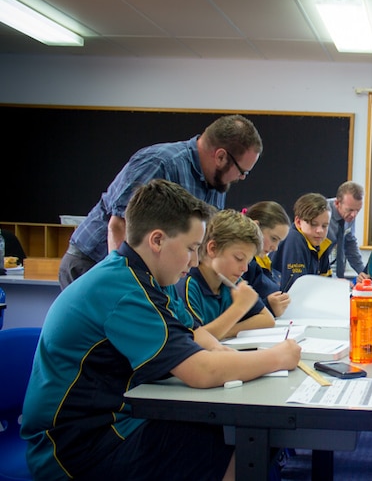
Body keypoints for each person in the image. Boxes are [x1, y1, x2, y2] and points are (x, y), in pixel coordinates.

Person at [22, 179, 302, 481]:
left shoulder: (149, 279)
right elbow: (201, 371)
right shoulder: (124, 290)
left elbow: (196, 334)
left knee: (241, 435)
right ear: (157, 240)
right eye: (191, 248)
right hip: (75, 447)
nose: (195, 260)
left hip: (116, 421)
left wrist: (223, 354)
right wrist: (277, 358)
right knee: (240, 441)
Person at [58, 114, 263, 290]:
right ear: (220, 157)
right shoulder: (161, 163)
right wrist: (125, 287)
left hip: (148, 275)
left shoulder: (217, 183)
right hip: (95, 262)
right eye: (242, 171)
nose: (242, 178)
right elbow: (119, 226)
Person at [176, 209, 275, 340]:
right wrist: (239, 308)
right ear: (212, 249)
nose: (245, 268)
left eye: (248, 262)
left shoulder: (231, 280)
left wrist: (225, 331)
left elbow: (267, 320)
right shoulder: (188, 285)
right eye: (239, 258)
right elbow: (194, 339)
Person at [270, 192, 333, 291]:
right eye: (313, 224)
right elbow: (297, 291)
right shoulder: (294, 239)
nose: (320, 230)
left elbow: (326, 283)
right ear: (298, 222)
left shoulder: (320, 243)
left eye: (325, 226)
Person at [241, 201, 291, 317]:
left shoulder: (258, 263)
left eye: (279, 241)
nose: (275, 248)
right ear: (256, 227)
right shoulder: (247, 265)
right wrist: (268, 306)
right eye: (273, 238)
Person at [327, 181, 365, 278]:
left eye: (358, 210)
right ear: (337, 203)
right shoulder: (322, 212)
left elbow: (350, 244)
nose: (354, 215)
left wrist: (363, 271)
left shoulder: (349, 216)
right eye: (350, 210)